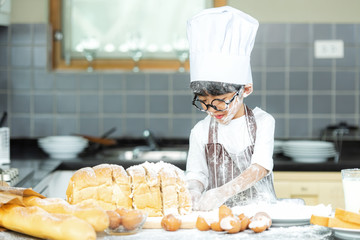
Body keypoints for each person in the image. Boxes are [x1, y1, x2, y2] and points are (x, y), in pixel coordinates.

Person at [185, 6, 277, 211]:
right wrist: (194, 190)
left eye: (221, 100)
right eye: (204, 102)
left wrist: (223, 192)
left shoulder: (263, 122)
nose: (213, 109)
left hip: (261, 213)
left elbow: (260, 167)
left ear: (246, 89)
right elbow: (196, 174)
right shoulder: (200, 132)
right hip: (216, 218)